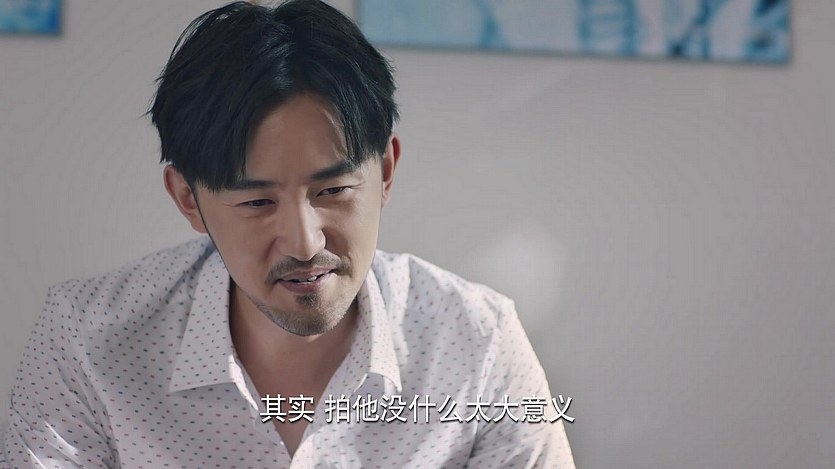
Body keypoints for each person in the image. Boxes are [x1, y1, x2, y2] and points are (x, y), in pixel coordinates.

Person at [3, 1, 575, 467]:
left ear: (385, 171)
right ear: (188, 198)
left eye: (333, 191)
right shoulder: (89, 340)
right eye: (257, 202)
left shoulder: (475, 340)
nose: (305, 244)